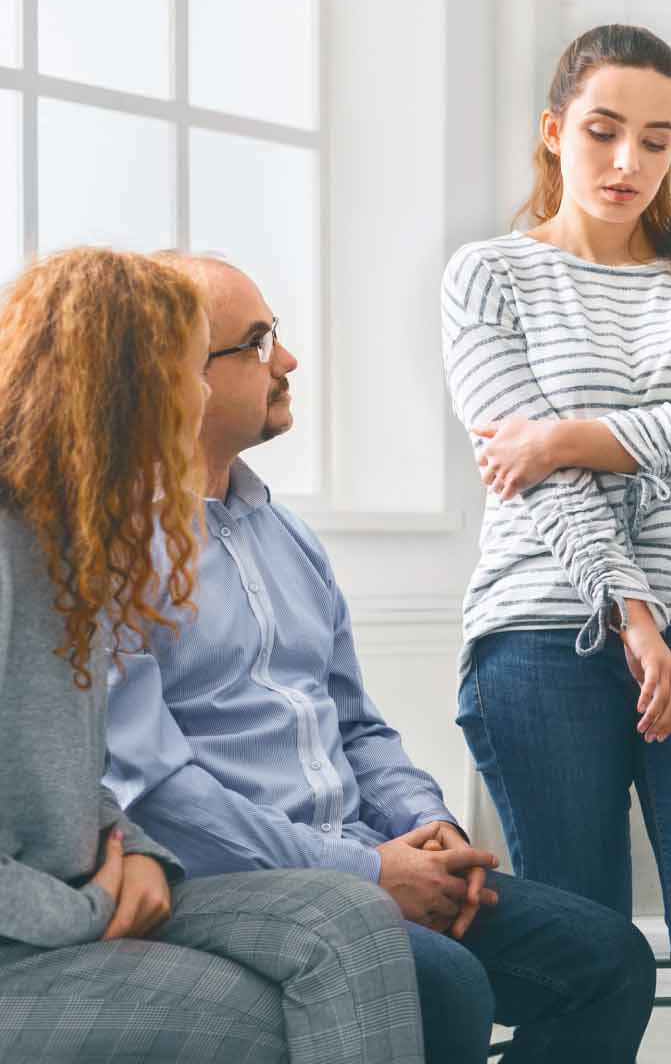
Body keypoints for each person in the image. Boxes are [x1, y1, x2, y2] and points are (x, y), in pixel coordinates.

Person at [103, 254, 657, 1064]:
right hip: (238, 883)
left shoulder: (285, 537)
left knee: (610, 958)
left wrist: (423, 826)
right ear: (177, 375)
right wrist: (366, 872)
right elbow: (161, 794)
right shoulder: (112, 553)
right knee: (443, 983)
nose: (287, 363)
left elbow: (356, 724)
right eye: (257, 344)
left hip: (366, 849)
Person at [442, 24, 671, 1064]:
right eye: (602, 133)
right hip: (545, 630)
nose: (628, 163)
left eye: (656, 139)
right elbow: (529, 480)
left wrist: (573, 437)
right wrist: (631, 611)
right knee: (586, 956)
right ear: (554, 133)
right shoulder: (488, 276)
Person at [0, 247, 425, 1064]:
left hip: (88, 889)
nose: (200, 397)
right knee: (249, 1021)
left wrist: (145, 858)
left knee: (352, 922)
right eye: (193, 370)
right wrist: (89, 910)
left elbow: (85, 775)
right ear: (125, 390)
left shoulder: (79, 550)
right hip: (40, 925)